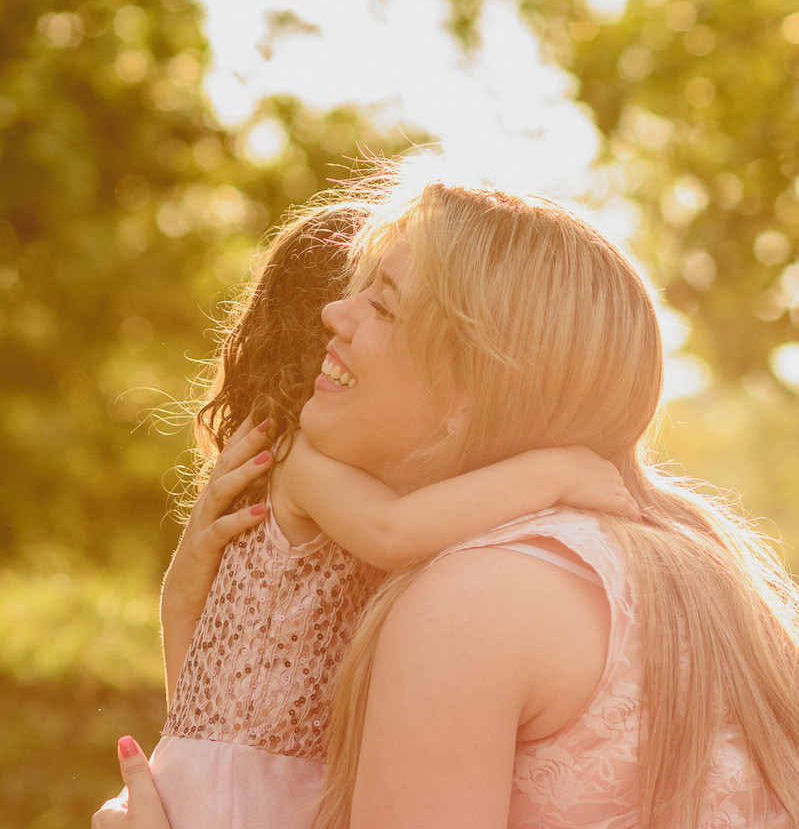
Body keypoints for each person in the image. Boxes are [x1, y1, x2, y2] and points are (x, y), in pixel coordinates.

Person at [97, 179, 799, 828]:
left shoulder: (473, 599)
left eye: (380, 304)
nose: (331, 315)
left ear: (468, 390)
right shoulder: (704, 571)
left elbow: (389, 532)